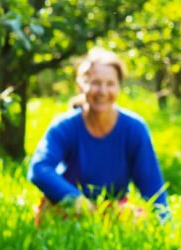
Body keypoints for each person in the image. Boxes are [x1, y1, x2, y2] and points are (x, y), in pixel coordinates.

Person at [28, 47, 169, 222]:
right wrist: (77, 201)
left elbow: (153, 187)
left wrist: (165, 229)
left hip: (113, 211)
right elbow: (39, 168)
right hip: (68, 209)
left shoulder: (134, 128)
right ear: (80, 86)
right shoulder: (65, 126)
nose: (103, 91)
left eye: (110, 84)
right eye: (95, 83)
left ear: (119, 87)